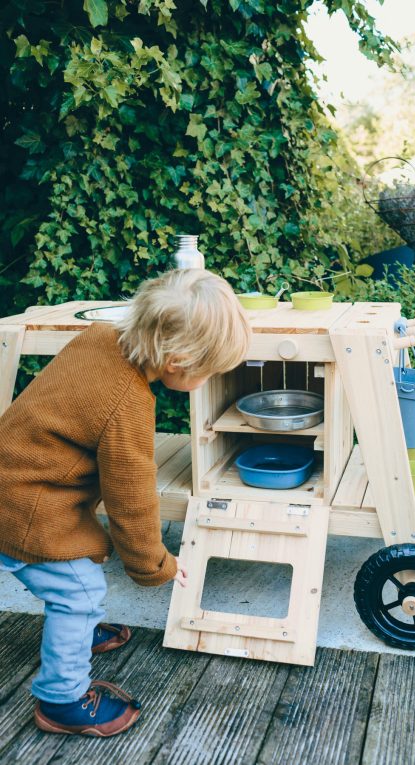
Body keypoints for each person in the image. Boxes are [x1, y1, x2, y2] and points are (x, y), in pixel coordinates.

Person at [0, 269, 251, 736]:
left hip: (13, 482)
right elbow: (130, 501)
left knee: (77, 586)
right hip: (26, 510)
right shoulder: (128, 403)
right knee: (77, 593)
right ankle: (60, 700)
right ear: (176, 360)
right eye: (209, 371)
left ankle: (77, 634)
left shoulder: (99, 337)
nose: (209, 379)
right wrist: (154, 564)